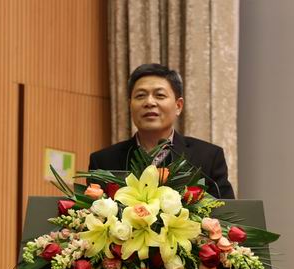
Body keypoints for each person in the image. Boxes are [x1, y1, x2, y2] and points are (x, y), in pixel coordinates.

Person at [89, 63, 235, 199]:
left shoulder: (208, 158)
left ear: (178, 106)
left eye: (160, 95)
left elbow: (229, 213)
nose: (149, 102)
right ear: (130, 105)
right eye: (140, 96)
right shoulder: (103, 161)